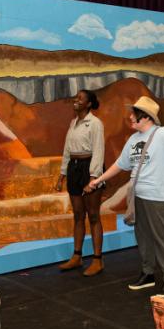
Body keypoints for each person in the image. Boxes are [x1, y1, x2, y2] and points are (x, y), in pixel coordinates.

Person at [87, 96, 164, 298]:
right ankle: (148, 273)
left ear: (145, 117)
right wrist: (99, 179)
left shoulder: (162, 134)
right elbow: (120, 164)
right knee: (143, 237)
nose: (130, 117)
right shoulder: (133, 139)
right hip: (138, 197)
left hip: (160, 197)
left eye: (134, 114)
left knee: (161, 237)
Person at [55, 90, 106, 276]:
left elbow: (99, 151)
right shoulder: (73, 123)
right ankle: (77, 256)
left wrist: (94, 177)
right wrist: (62, 174)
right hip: (74, 169)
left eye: (80, 98)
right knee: (78, 215)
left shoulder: (95, 123)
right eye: (76, 98)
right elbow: (67, 150)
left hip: (89, 168)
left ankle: (98, 260)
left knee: (93, 215)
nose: (75, 100)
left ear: (89, 104)